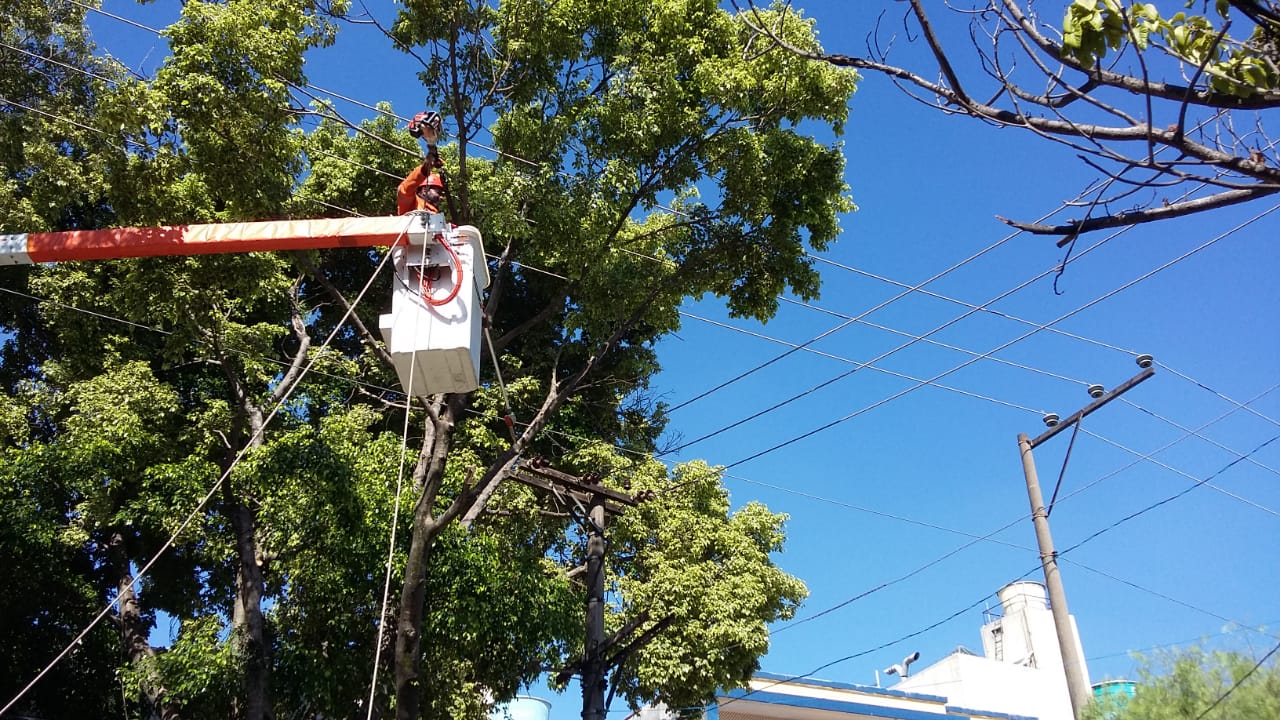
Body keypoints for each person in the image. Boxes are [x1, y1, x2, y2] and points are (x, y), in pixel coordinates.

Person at [396, 111, 446, 215]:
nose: (441, 198)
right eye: (439, 192)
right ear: (424, 190)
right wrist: (425, 167)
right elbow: (404, 191)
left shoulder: (438, 220)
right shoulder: (412, 204)